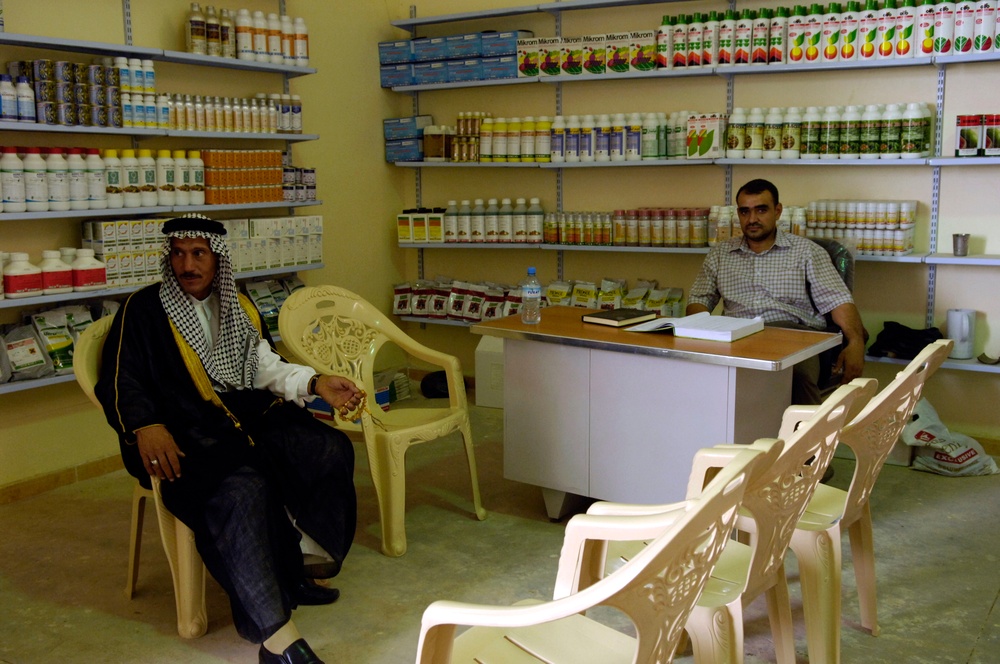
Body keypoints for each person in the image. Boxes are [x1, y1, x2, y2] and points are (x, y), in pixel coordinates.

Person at [96, 214, 361, 664]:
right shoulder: (143, 309)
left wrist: (315, 383)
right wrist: (145, 425)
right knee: (241, 489)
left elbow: (263, 365)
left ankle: (293, 570)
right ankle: (278, 639)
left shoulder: (237, 305)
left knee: (325, 448)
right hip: (181, 430)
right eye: (179, 254)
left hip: (241, 416)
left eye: (198, 253)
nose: (188, 265)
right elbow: (121, 378)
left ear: (217, 259)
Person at [687, 179, 867, 404]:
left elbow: (838, 300)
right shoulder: (721, 253)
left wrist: (856, 342)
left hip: (793, 335)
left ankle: (804, 427)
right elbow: (699, 299)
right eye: (745, 211)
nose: (752, 219)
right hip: (737, 335)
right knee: (701, 377)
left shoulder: (806, 252)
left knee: (794, 376)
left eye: (761, 210)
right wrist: (701, 333)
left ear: (777, 211)